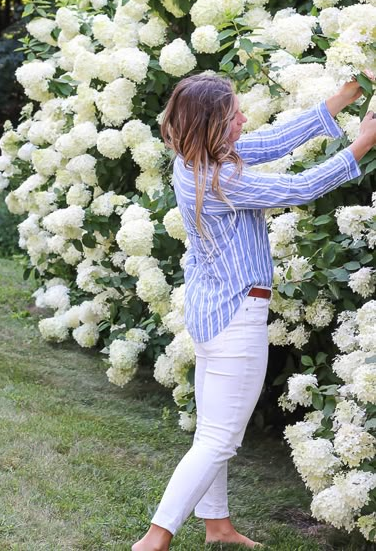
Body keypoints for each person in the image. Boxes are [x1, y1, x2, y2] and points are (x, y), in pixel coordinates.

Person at [132, 71, 376, 551]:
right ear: (213, 126)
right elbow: (297, 189)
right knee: (220, 439)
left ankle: (218, 527)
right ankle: (154, 540)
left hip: (212, 311)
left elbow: (272, 140)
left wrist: (341, 99)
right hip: (234, 319)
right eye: (235, 115)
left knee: (212, 431)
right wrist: (363, 142)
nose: (244, 119)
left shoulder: (197, 158)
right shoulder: (219, 179)